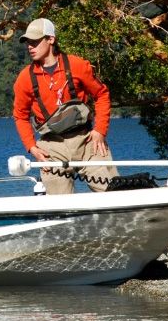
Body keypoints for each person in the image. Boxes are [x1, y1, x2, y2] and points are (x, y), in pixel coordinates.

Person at [12, 18, 117, 194]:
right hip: (51, 147)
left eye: (35, 41)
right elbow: (20, 116)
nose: (30, 46)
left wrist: (100, 130)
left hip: (86, 141)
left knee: (115, 194)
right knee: (60, 207)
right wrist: (32, 148)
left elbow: (102, 94)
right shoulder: (25, 78)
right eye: (28, 42)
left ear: (50, 39)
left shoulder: (77, 65)